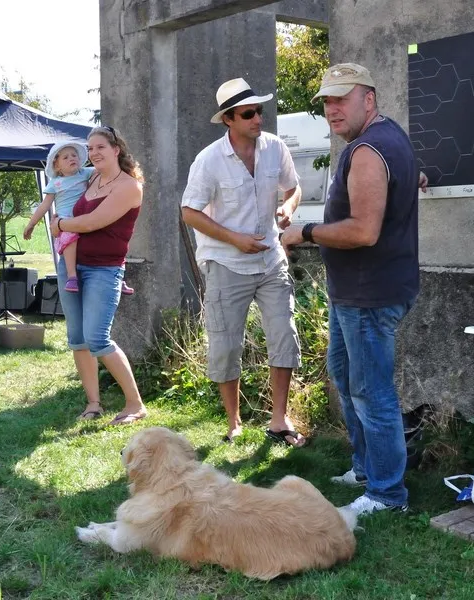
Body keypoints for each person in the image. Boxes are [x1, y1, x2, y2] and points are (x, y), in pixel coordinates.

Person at [281, 63, 421, 516]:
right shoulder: (389, 138)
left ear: (369, 99)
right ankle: (366, 469)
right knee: (345, 377)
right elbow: (398, 185)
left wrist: (305, 232)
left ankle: (386, 494)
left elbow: (363, 231)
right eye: (327, 101)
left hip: (368, 294)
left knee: (370, 391)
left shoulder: (367, 150)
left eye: (342, 98)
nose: (332, 109)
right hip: (359, 291)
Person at [181, 78, 306, 445]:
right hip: (225, 263)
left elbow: (294, 187)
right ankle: (234, 422)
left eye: (259, 111)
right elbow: (189, 212)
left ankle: (279, 419)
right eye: (248, 113)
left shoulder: (275, 148)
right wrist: (233, 238)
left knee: (284, 335)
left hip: (270, 260)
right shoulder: (208, 160)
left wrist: (288, 207)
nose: (258, 119)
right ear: (228, 119)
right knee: (225, 344)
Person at [49, 126, 147, 425]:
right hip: (71, 267)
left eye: (100, 147)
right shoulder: (90, 177)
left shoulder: (129, 186)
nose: (93, 153)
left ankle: (135, 404)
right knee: (78, 338)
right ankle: (93, 403)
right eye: (90, 148)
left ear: (116, 149)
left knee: (97, 337)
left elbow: (92, 222)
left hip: (104, 269)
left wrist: (60, 225)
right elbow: (61, 190)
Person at [25, 142, 135, 296]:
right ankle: (72, 276)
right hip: (66, 220)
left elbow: (104, 172)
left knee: (105, 239)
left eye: (74, 155)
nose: (72, 158)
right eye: (65, 157)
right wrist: (31, 224)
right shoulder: (55, 183)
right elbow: (44, 206)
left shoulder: (85, 173)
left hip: (85, 216)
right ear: (57, 166)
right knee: (70, 240)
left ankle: (117, 278)